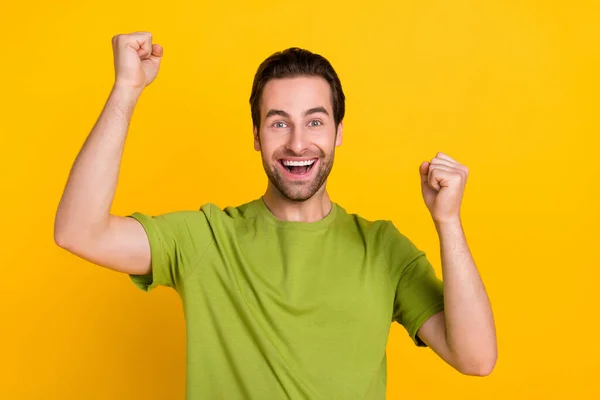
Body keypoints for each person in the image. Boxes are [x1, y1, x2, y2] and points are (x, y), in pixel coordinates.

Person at [54, 31, 497, 399]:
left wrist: (448, 222)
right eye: (279, 122)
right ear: (256, 134)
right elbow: (79, 232)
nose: (298, 143)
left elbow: (476, 359)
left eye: (315, 121)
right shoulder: (206, 238)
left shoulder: (382, 249)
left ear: (339, 132)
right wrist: (126, 90)